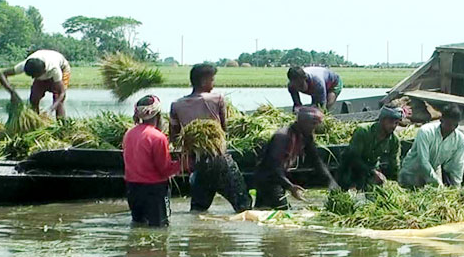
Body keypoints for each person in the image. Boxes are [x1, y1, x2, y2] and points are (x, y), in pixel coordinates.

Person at [169, 63, 251, 213]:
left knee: (198, 208)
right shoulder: (217, 99)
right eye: (212, 80)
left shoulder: (176, 105)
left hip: (197, 162)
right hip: (219, 157)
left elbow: (174, 137)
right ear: (204, 81)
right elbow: (223, 129)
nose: (213, 84)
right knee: (243, 204)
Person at [254, 106, 339, 209]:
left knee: (264, 211)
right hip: (268, 179)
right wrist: (290, 187)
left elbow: (315, 160)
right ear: (304, 123)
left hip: (279, 178)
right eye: (314, 124)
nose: (316, 128)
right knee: (283, 212)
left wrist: (331, 182)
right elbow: (273, 167)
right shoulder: (282, 137)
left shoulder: (306, 136)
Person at [122, 95, 182, 227]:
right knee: (160, 227)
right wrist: (182, 164)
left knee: (138, 224)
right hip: (154, 190)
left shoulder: (129, 134)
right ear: (158, 115)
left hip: (133, 188)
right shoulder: (158, 137)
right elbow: (164, 170)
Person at [398, 104, 464, 188]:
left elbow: (458, 165)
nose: (451, 128)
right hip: (412, 172)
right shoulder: (426, 131)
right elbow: (423, 161)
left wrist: (456, 188)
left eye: (455, 125)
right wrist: (438, 183)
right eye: (448, 124)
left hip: (433, 171)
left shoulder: (460, 139)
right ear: (441, 120)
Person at [338, 105, 403, 190]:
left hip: (371, 171)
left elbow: (394, 164)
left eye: (396, 123)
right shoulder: (363, 132)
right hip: (351, 169)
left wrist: (397, 182)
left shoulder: (394, 140)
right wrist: (371, 172)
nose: (394, 126)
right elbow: (353, 157)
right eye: (391, 122)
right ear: (382, 120)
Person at [0, 49, 71, 118]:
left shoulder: (54, 69)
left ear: (43, 72)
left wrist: (50, 109)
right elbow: (0, 74)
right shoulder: (25, 65)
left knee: (58, 99)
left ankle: (62, 126)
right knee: (34, 98)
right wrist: (12, 92)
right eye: (31, 76)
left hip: (62, 68)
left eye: (35, 76)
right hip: (42, 67)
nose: (32, 78)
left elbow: (62, 93)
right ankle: (36, 122)